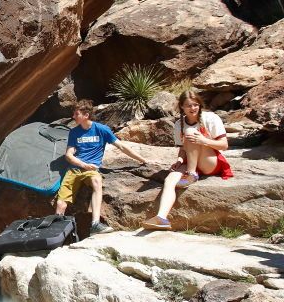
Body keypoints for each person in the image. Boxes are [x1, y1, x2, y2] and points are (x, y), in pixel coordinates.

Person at [143, 90, 232, 230]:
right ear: (182, 107)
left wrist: (203, 140)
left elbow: (224, 145)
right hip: (191, 160)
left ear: (200, 105)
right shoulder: (179, 124)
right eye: (188, 105)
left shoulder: (211, 118)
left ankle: (191, 174)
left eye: (195, 105)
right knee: (170, 180)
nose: (193, 108)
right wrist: (179, 160)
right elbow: (183, 148)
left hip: (210, 161)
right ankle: (161, 218)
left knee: (190, 133)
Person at [56, 99, 147, 235]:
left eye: (76, 114)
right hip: (75, 169)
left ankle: (95, 224)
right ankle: (56, 232)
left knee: (97, 182)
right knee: (60, 203)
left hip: (91, 171)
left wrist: (141, 159)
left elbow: (121, 146)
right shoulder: (74, 132)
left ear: (86, 115)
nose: (73, 117)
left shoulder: (102, 130)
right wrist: (83, 165)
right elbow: (69, 155)